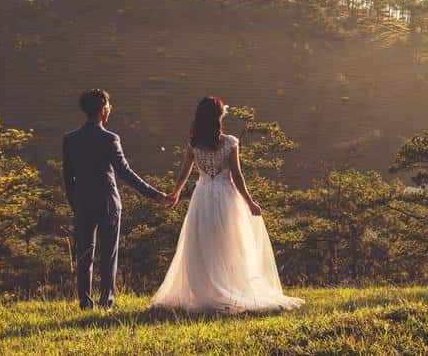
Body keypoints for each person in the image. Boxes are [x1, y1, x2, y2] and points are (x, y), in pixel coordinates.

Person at [150, 95, 304, 313]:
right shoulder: (230, 143)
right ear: (218, 117)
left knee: (204, 243)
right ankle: (228, 286)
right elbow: (237, 176)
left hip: (202, 195)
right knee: (229, 242)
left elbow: (184, 171)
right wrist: (249, 202)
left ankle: (206, 289)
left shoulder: (194, 143)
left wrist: (175, 192)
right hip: (226, 196)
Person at [63, 88, 171, 309]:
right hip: (108, 203)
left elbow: (68, 176)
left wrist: (75, 203)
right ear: (103, 110)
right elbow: (126, 173)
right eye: (108, 106)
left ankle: (85, 302)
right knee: (108, 255)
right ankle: (106, 301)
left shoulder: (70, 139)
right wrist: (155, 195)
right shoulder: (110, 138)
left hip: (83, 203)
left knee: (84, 255)